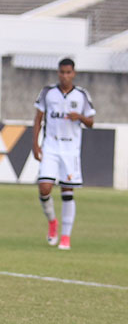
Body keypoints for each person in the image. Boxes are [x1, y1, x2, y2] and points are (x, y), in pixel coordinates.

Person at [32, 58, 95, 250]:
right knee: (44, 187)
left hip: (70, 149)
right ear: (58, 73)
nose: (65, 76)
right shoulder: (48, 92)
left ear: (73, 73)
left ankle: (65, 237)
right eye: (62, 72)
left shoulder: (82, 95)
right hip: (51, 146)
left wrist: (81, 117)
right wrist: (35, 144)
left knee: (67, 191)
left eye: (68, 72)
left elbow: (91, 122)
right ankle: (52, 222)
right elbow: (38, 119)